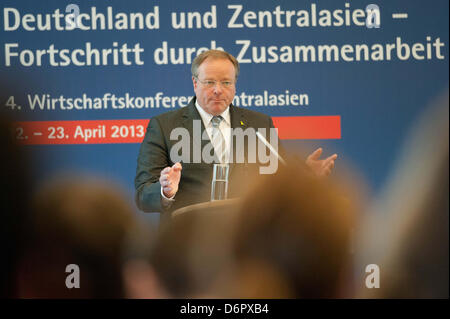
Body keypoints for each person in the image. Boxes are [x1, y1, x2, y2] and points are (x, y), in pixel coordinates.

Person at [135, 49, 337, 216]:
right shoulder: (164, 126)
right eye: (209, 82)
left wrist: (305, 176)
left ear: (235, 85)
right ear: (195, 83)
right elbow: (143, 195)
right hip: (187, 242)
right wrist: (165, 191)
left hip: (245, 241)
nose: (218, 90)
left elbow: (278, 183)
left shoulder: (259, 124)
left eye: (226, 82)